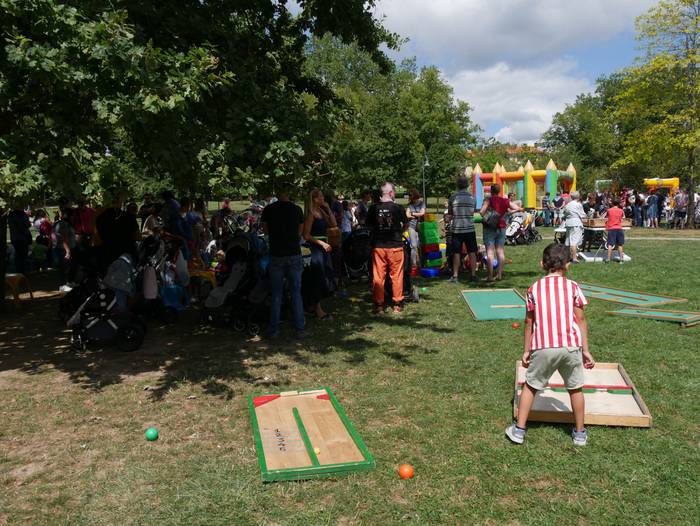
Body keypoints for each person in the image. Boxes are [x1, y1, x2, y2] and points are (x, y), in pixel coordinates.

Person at [506, 243, 595, 446]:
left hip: (543, 346)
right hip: (571, 346)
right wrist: (586, 350)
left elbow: (529, 322)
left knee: (530, 386)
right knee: (575, 389)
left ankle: (519, 430)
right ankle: (580, 433)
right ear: (568, 265)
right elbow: (581, 320)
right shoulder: (573, 287)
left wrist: (527, 350)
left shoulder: (533, 289)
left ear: (542, 264)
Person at [261, 185, 306, 339]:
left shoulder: (269, 209)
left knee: (276, 293)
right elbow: (300, 231)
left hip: (276, 254)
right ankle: (300, 328)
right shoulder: (296, 209)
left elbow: (265, 230)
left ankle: (274, 329)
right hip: (293, 253)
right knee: (296, 292)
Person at [366, 182, 406, 313]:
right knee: (396, 275)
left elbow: (368, 226)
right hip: (395, 245)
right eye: (394, 192)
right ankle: (397, 304)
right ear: (391, 193)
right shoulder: (398, 207)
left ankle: (379, 305)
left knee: (378, 276)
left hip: (379, 246)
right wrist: (400, 232)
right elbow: (406, 224)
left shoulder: (373, 208)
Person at [302, 188, 337, 320]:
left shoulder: (321, 211)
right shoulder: (311, 214)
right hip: (315, 249)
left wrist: (328, 209)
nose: (323, 198)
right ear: (314, 199)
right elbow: (306, 235)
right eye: (320, 196)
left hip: (323, 248)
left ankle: (313, 306)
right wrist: (322, 243)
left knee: (324, 276)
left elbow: (333, 224)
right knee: (317, 277)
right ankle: (318, 310)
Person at [479, 184, 521, 282]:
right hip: (501, 227)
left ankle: (490, 276)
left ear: (491, 191)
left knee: (490, 252)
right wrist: (508, 212)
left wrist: (488, 215)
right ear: (499, 191)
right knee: (500, 251)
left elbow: (481, 212)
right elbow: (517, 207)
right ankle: (499, 275)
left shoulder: (488, 200)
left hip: (489, 228)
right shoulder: (505, 200)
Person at [447, 177, 477, 282]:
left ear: (457, 185)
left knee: (456, 252)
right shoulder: (472, 198)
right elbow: (472, 212)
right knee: (472, 252)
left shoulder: (453, 197)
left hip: (457, 229)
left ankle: (455, 276)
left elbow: (450, 214)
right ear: (467, 185)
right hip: (470, 228)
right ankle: (473, 275)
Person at [563, 191, 586, 263]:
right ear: (578, 197)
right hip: (576, 223)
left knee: (568, 241)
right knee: (574, 241)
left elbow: (564, 214)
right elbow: (583, 215)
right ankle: (574, 258)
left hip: (568, 223)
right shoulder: (578, 204)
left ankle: (567, 257)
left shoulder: (568, 205)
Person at [406, 189, 426, 270]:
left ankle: (422, 263)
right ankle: (414, 264)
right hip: (411, 227)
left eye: (412, 197)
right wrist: (414, 215)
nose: (411, 199)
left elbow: (422, 213)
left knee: (420, 245)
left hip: (420, 226)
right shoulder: (409, 205)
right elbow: (407, 215)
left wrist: (413, 214)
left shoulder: (422, 203)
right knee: (413, 245)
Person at [8, 204, 32, 274]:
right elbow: (28, 225)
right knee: (23, 257)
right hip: (23, 238)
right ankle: (22, 272)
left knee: (17, 256)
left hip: (14, 238)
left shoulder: (11, 215)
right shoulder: (23, 215)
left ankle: (18, 271)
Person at [605, 199, 625, 264]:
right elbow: (623, 218)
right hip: (619, 228)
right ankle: (621, 259)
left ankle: (608, 259)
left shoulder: (609, 210)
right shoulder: (621, 210)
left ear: (612, 203)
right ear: (618, 203)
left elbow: (605, 217)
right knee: (620, 245)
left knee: (610, 244)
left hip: (611, 228)